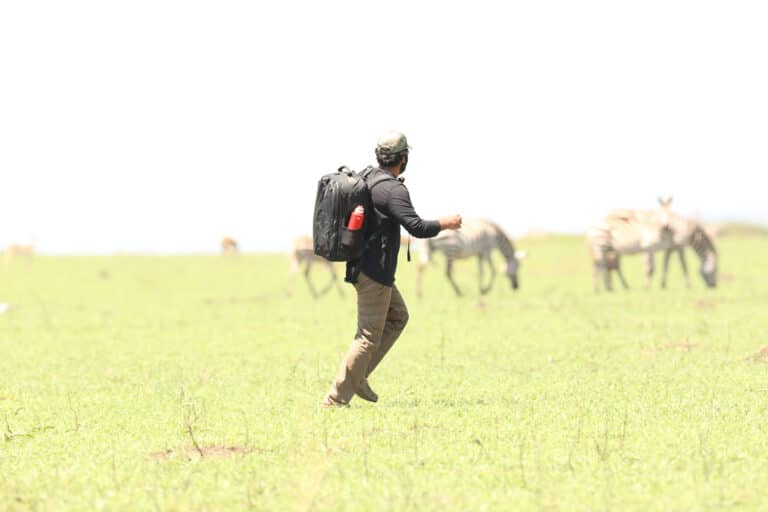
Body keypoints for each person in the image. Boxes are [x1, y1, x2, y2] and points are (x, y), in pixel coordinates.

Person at [322, 131, 462, 407]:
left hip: (363, 267)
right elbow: (417, 227)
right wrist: (446, 223)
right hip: (375, 273)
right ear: (403, 158)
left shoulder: (367, 177)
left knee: (398, 316)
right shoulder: (392, 189)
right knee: (368, 336)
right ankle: (335, 399)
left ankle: (358, 376)